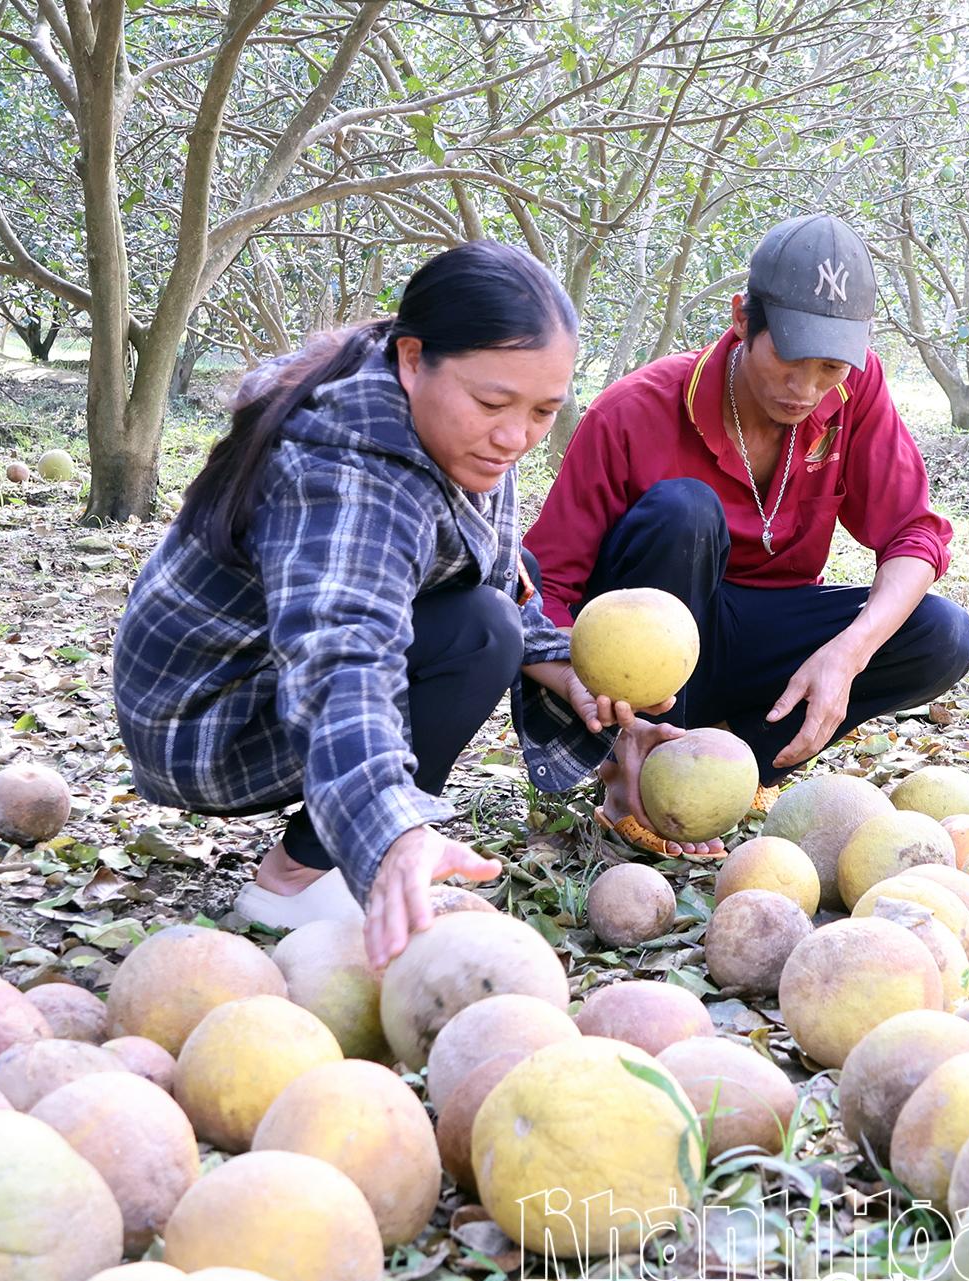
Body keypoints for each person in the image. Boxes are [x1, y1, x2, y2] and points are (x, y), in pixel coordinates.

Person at [112, 242, 670, 967]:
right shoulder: (346, 470)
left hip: (260, 681)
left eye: (542, 410)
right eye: (493, 402)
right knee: (480, 631)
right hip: (201, 717)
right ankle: (296, 879)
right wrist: (391, 827)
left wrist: (563, 668)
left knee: (498, 600)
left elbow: (497, 571)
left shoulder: (447, 430)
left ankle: (341, 855)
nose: (515, 436)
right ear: (412, 360)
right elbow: (341, 653)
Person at [523, 213, 969, 856]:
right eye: (790, 360)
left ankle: (738, 762)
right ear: (742, 319)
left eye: (830, 368)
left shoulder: (855, 391)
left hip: (760, 641)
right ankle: (642, 768)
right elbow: (546, 588)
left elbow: (913, 533)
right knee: (686, 510)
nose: (807, 389)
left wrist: (846, 655)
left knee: (941, 634)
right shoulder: (633, 412)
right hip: (655, 652)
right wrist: (599, 704)